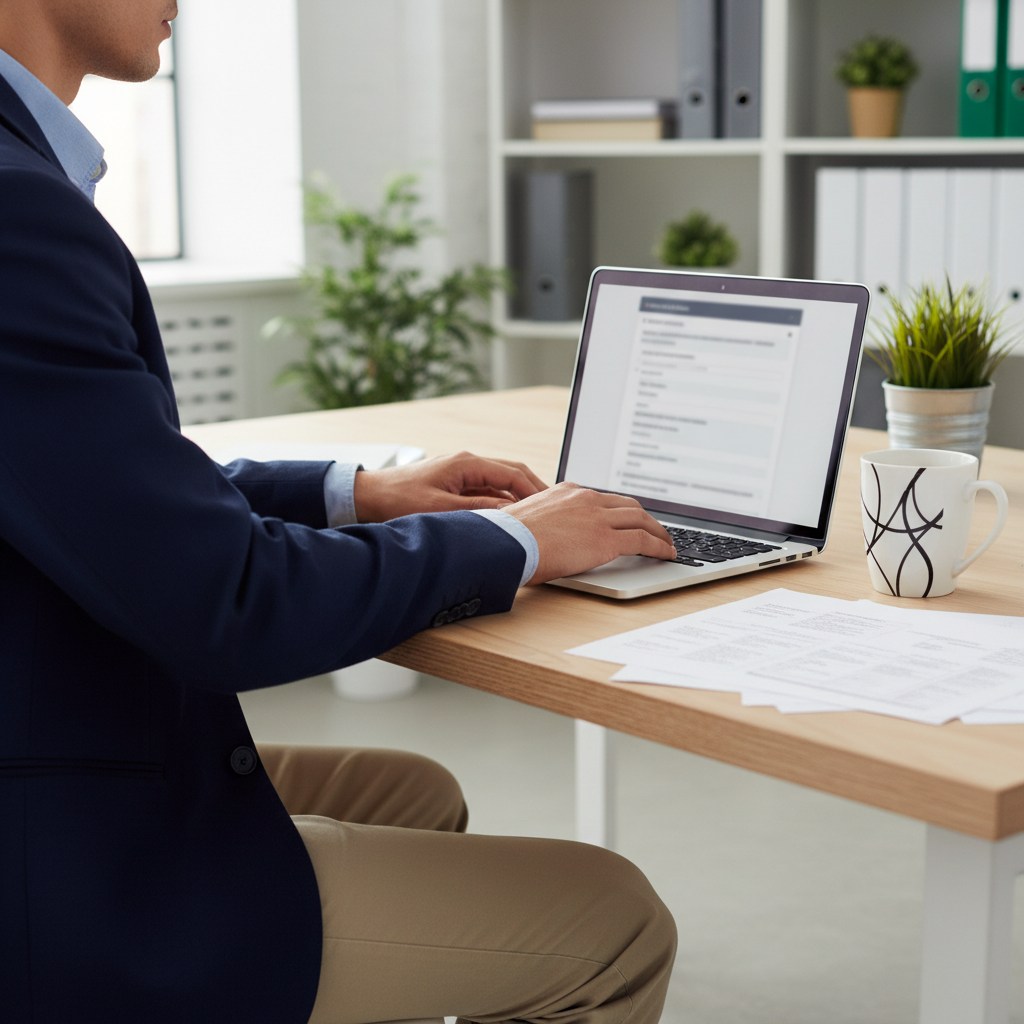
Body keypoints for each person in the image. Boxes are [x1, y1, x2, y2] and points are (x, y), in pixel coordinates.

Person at [0, 2, 678, 1022]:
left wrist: (356, 494)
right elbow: (228, 602)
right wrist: (519, 539)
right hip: (52, 869)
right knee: (615, 923)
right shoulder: (19, 214)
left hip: (52, 732)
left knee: (413, 792)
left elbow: (92, 495)